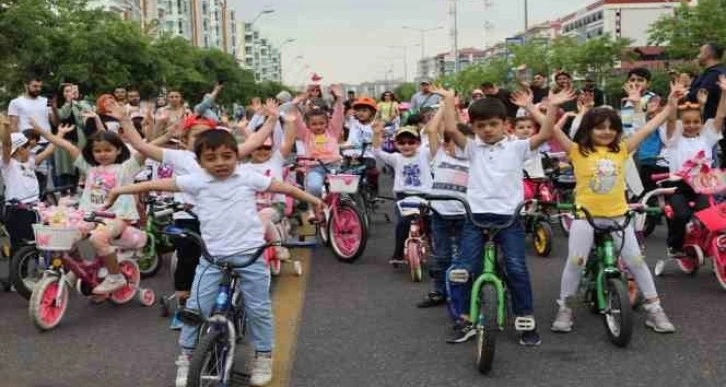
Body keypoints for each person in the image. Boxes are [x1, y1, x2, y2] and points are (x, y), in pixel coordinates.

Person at [103, 129, 323, 387]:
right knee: (194, 309)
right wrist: (119, 190)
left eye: (227, 156)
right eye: (211, 158)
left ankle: (263, 355)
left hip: (251, 256)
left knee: (259, 309)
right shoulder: (196, 181)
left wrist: (314, 202)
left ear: (237, 157)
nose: (220, 163)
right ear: (200, 161)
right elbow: (154, 184)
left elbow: (284, 187)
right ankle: (185, 357)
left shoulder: (247, 177)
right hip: (212, 258)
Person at [123, 100, 279, 330]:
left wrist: (272, 119)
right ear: (185, 141)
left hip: (219, 219)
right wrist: (125, 120)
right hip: (187, 217)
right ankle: (185, 308)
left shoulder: (223, 156)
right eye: (195, 135)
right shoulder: (181, 158)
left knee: (224, 261)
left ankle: (232, 302)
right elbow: (142, 147)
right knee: (187, 259)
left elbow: (255, 141)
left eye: (207, 134)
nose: (202, 140)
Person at [549, 83, 684, 335]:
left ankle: (654, 309)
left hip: (619, 217)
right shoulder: (577, 151)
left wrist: (671, 105)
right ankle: (565, 307)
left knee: (636, 261)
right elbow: (552, 131)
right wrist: (552, 107)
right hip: (585, 217)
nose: (606, 132)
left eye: (612, 127)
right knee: (576, 261)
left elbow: (647, 128)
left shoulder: (622, 150)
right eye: (600, 127)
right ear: (588, 130)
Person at [443, 88, 572, 346]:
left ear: (506, 124)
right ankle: (466, 318)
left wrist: (553, 106)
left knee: (516, 270)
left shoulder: (517, 148)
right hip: (476, 218)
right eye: (481, 125)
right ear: (474, 127)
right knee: (465, 269)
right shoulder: (472, 149)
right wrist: (448, 101)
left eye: (493, 124)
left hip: (509, 219)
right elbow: (451, 129)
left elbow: (545, 133)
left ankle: (525, 318)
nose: (488, 129)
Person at [34, 103, 148, 294]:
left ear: (118, 150)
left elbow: (145, 149)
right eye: (97, 151)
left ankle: (115, 276)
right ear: (92, 153)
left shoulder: (125, 168)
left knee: (98, 238)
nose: (102, 154)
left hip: (117, 216)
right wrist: (43, 132)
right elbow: (67, 145)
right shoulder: (90, 168)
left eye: (107, 150)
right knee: (65, 235)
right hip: (90, 214)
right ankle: (78, 268)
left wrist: (163, 132)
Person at [416, 87, 471, 310]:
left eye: (459, 142)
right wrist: (443, 107)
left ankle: (463, 293)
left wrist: (455, 111)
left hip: (466, 215)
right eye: (450, 142)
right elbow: (431, 130)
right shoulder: (437, 155)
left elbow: (457, 130)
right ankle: (438, 291)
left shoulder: (472, 160)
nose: (454, 146)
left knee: (465, 256)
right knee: (441, 256)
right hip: (440, 215)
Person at [663, 76, 726, 257]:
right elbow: (670, 121)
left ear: (701, 122)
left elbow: (720, 115)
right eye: (687, 122)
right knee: (681, 215)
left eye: (696, 122)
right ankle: (674, 245)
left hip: (703, 185)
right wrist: (673, 101)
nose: (691, 126)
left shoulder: (706, 137)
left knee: (709, 215)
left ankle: (708, 246)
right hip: (678, 187)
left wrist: (724, 93)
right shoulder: (674, 140)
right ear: (681, 124)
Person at [372, 123, 433, 265]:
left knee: (431, 223)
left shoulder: (425, 154)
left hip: (425, 195)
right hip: (403, 196)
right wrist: (376, 134)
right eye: (402, 142)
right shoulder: (396, 158)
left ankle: (434, 246)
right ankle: (398, 253)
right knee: (402, 224)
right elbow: (377, 151)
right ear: (396, 144)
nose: (406, 146)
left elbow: (435, 143)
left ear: (418, 143)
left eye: (411, 142)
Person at [0, 116, 58, 255]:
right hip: (17, 211)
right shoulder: (8, 164)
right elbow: (7, 144)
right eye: (28, 148)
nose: (31, 152)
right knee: (20, 247)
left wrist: (60, 134)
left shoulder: (29, 164)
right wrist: (7, 127)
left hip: (34, 210)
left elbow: (48, 151)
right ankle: (19, 274)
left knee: (38, 245)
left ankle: (33, 270)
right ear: (20, 149)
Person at [293, 84, 345, 199]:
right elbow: (296, 121)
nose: (318, 127)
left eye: (321, 123)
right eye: (314, 124)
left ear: (327, 123)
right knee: (314, 187)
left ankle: (341, 210)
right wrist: (295, 105)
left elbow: (338, 116)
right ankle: (318, 205)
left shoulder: (332, 131)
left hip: (334, 167)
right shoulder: (306, 134)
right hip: (315, 168)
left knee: (343, 192)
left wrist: (339, 99)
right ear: (308, 125)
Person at [54, 83, 93, 190]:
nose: (69, 93)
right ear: (61, 93)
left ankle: (75, 190)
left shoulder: (78, 105)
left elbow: (82, 121)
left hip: (78, 138)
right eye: (66, 91)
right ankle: (63, 192)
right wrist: (68, 103)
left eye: (71, 91)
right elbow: (63, 115)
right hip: (63, 139)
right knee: (65, 169)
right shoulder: (56, 105)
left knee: (77, 165)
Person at [345, 97, 380, 194]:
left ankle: (373, 190)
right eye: (358, 110)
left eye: (364, 110)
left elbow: (378, 141)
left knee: (372, 172)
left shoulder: (374, 125)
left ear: (372, 113)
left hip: (368, 155)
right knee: (346, 175)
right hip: (351, 154)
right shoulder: (352, 121)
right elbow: (346, 114)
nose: (360, 113)